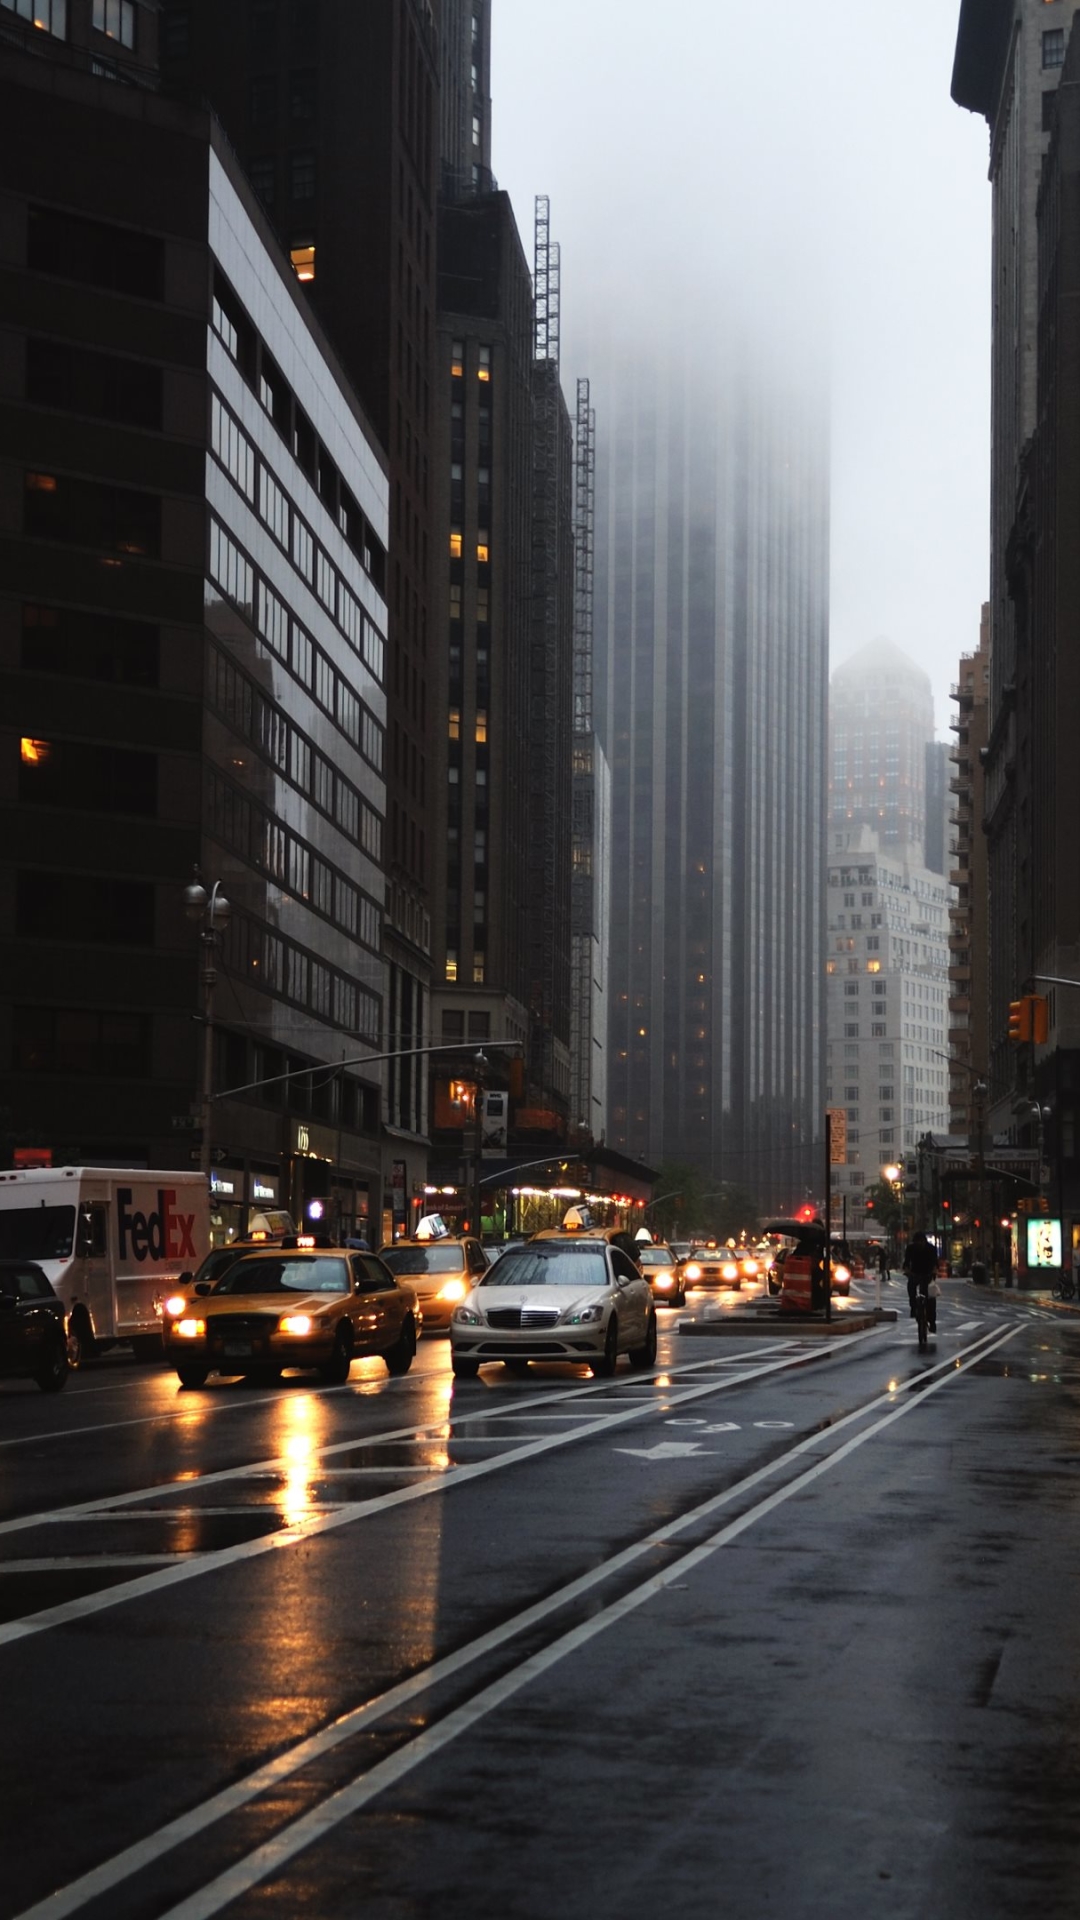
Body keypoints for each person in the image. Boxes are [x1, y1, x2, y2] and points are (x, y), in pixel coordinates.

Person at [903, 1231, 938, 1330]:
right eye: (917, 1242)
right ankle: (913, 1307)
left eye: (921, 1242)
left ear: (924, 1241)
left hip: (927, 1274)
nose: (919, 1244)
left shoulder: (931, 1249)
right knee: (911, 1287)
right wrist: (907, 1271)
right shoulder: (910, 1248)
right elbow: (906, 1262)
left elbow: (935, 1263)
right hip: (915, 1273)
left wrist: (934, 1272)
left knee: (930, 1299)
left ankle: (932, 1322)